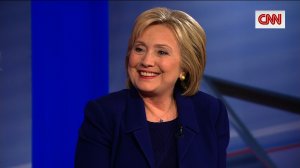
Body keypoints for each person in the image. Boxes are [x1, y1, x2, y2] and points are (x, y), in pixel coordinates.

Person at [75, 7, 229, 168]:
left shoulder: (210, 112)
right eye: (139, 49)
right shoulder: (104, 114)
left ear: (185, 67)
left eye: (162, 52)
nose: (147, 61)